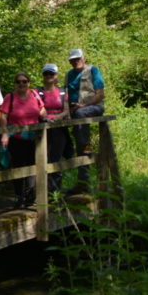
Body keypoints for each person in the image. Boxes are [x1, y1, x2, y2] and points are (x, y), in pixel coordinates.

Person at [0, 72, 48, 208]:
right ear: (15, 84)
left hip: (33, 137)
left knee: (32, 165)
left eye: (24, 81)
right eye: (19, 81)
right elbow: (3, 117)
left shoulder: (34, 95)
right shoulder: (10, 97)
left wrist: (47, 119)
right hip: (16, 138)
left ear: (28, 83)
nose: (21, 84)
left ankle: (30, 196)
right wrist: (4, 134)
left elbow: (42, 110)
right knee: (18, 166)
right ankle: (19, 197)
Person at [66, 48, 105, 191]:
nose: (76, 61)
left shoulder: (93, 70)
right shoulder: (69, 75)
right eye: (73, 59)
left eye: (78, 58)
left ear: (83, 58)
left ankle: (83, 145)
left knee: (81, 116)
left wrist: (83, 105)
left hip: (94, 107)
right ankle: (79, 148)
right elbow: (66, 96)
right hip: (75, 112)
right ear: (70, 62)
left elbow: (100, 95)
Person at [38, 63, 70, 193]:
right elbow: (39, 108)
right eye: (46, 73)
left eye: (51, 73)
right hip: (43, 129)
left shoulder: (62, 91)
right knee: (42, 158)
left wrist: (57, 117)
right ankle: (43, 191)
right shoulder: (38, 92)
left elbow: (66, 110)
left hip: (59, 128)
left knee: (56, 158)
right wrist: (47, 117)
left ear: (56, 76)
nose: (48, 76)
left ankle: (56, 191)